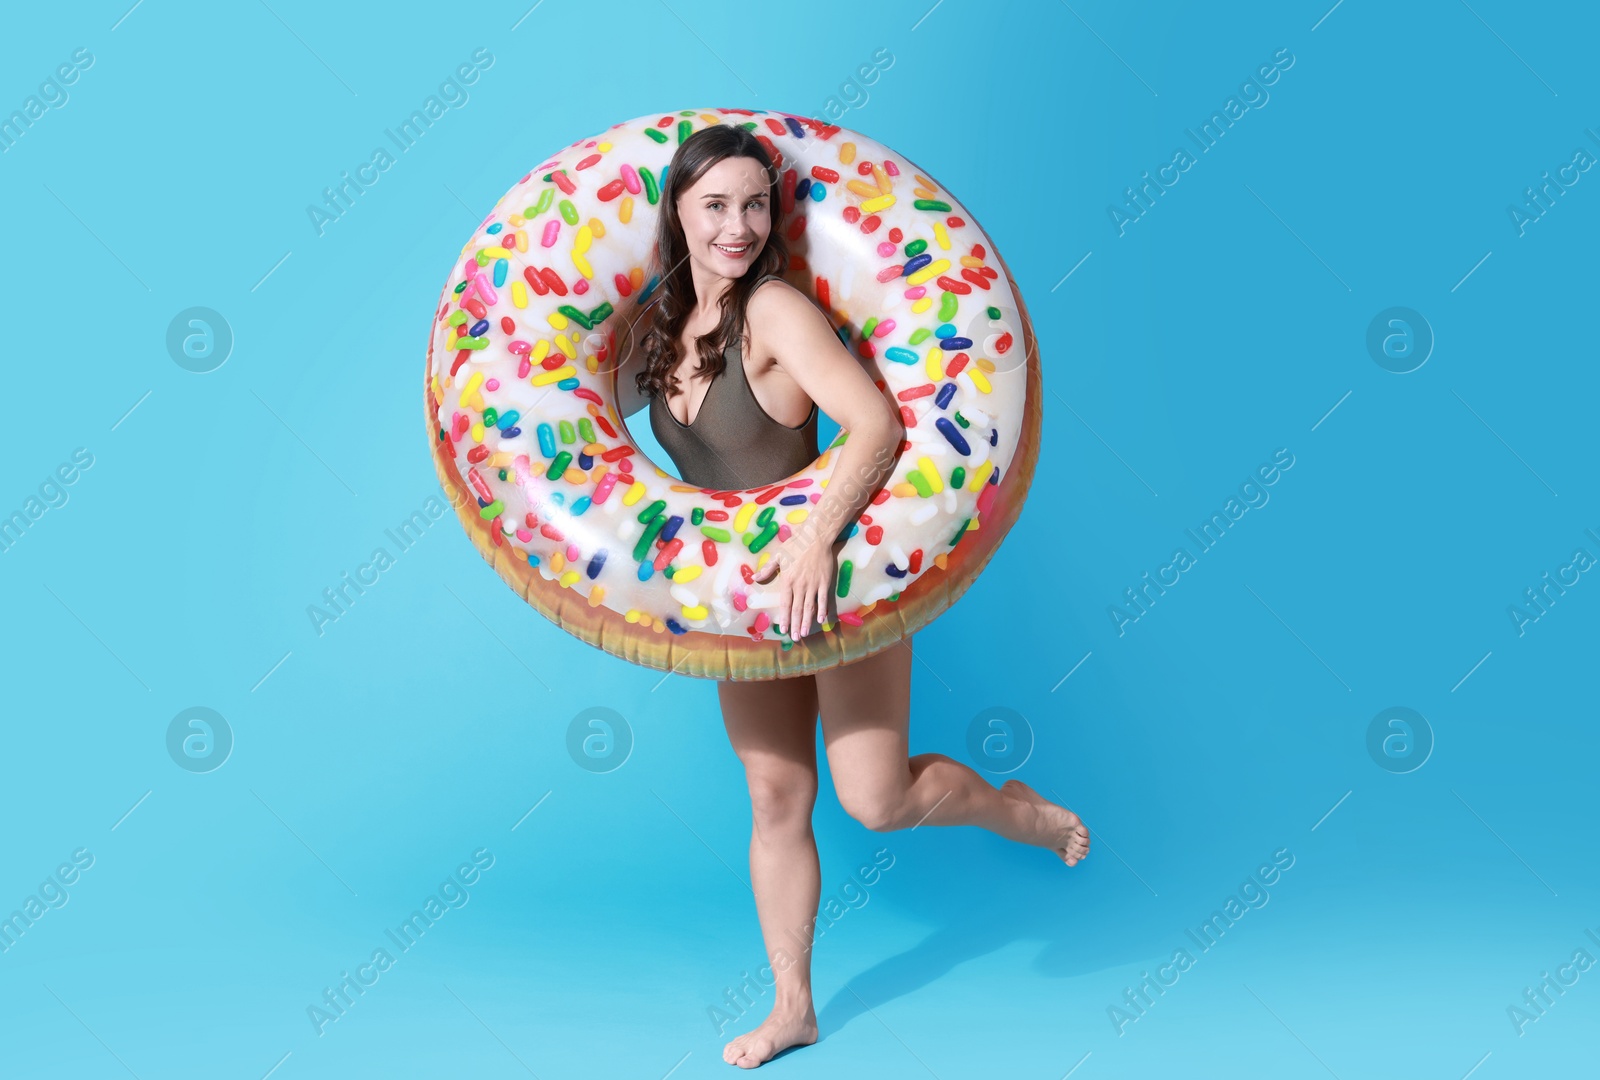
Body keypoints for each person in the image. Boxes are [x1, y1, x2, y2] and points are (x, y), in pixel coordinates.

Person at [611, 124, 1091, 1070]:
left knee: (874, 798)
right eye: (715, 206)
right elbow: (558, 405)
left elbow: (874, 422)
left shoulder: (777, 310)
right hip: (738, 602)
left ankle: (1020, 814)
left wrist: (818, 538)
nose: (738, 227)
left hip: (828, 582)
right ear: (677, 211)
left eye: (755, 205)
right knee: (776, 795)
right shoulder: (658, 329)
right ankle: (794, 1005)